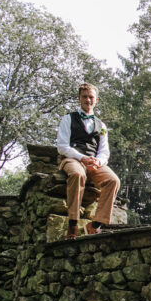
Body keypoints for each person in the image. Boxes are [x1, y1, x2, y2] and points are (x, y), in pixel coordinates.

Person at [55, 83, 120, 240]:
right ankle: (73, 225)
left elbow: (104, 151)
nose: (88, 100)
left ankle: (95, 224)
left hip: (94, 162)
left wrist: (97, 162)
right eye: (84, 97)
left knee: (113, 180)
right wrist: (82, 158)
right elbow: (62, 146)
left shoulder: (101, 125)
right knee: (78, 175)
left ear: (96, 100)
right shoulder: (68, 119)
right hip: (72, 159)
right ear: (79, 99)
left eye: (91, 97)